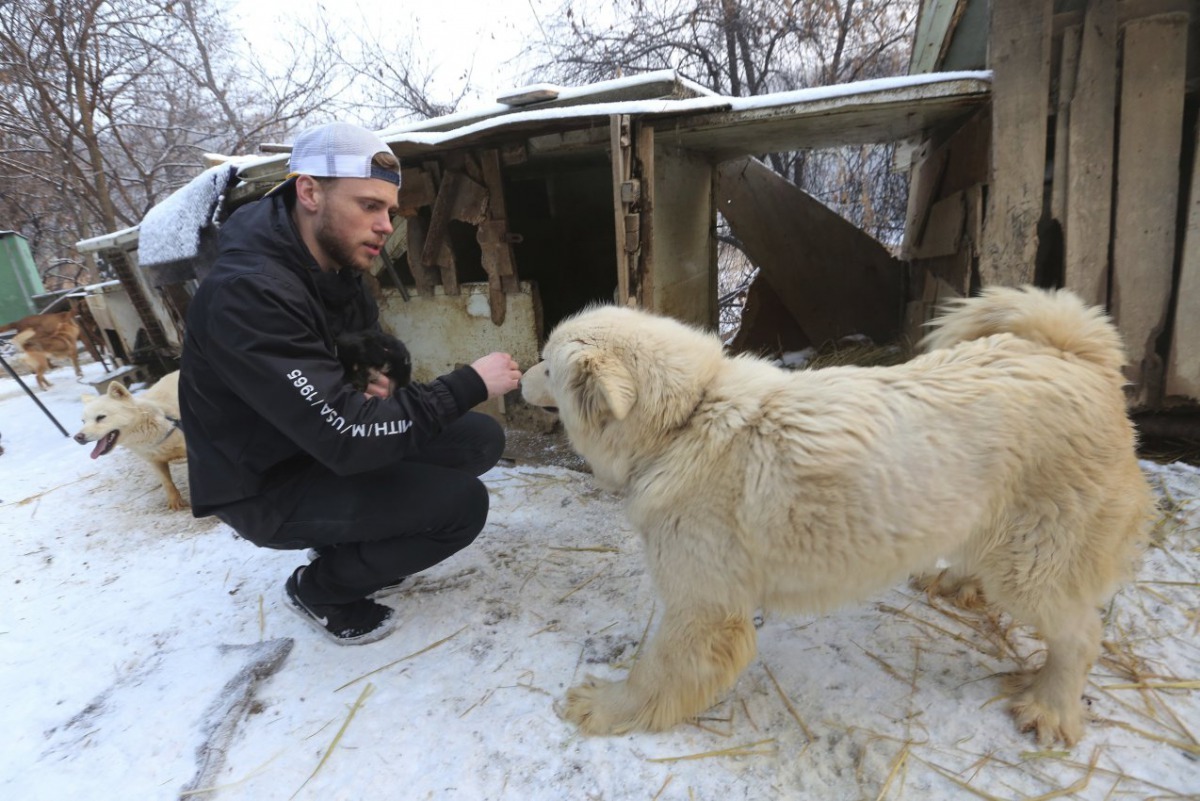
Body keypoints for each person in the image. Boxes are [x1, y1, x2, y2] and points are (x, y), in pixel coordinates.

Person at [179, 122, 522, 645]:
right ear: (310, 192)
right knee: (462, 506)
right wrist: (467, 383)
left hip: (309, 445)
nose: (385, 225)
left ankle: (355, 544)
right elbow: (345, 435)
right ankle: (321, 589)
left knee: (479, 438)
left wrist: (377, 376)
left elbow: (359, 363)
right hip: (265, 483)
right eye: (368, 206)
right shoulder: (248, 293)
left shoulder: (332, 270)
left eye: (388, 210)